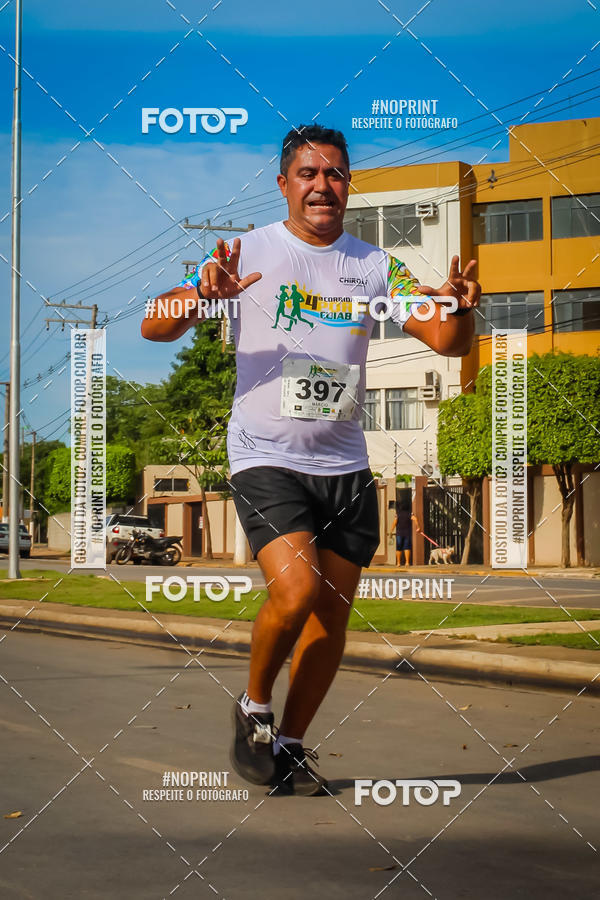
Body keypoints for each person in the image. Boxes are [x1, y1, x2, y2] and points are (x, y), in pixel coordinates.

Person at [141, 124, 480, 796]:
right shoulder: (249, 251)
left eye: (335, 175)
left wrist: (465, 310)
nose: (323, 186)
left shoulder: (376, 265)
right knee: (293, 595)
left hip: (347, 467)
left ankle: (290, 747)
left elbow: (445, 339)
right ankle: (254, 706)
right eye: (309, 173)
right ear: (284, 184)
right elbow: (155, 321)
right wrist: (203, 295)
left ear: (348, 185)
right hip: (266, 457)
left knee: (330, 620)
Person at [389, 491, 420, 567]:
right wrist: (418, 527)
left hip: (399, 533)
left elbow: (395, 522)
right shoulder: (409, 513)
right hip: (407, 533)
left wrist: (391, 531)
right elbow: (415, 519)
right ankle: (407, 562)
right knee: (407, 547)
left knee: (399, 548)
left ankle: (398, 563)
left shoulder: (398, 513)